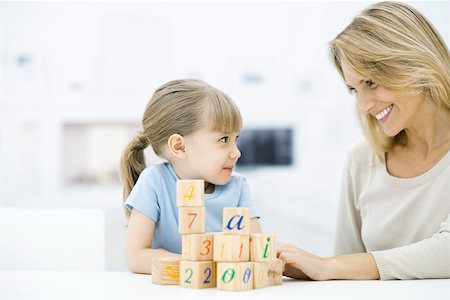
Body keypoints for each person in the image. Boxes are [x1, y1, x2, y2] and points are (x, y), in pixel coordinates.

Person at [278, 1, 450, 280]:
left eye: (371, 82)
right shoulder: (362, 161)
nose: (364, 105)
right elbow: (345, 274)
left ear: (414, 62)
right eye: (353, 89)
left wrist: (328, 266)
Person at [120, 79, 261, 274]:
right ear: (180, 146)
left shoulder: (238, 187)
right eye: (223, 139)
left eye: (235, 139)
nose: (236, 152)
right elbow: (136, 257)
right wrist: (200, 267)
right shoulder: (154, 182)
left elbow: (256, 253)